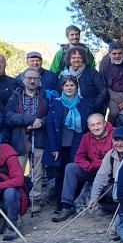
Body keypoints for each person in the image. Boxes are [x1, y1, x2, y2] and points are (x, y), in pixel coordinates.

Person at [52, 113, 114, 221]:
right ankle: (67, 205)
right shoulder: (86, 137)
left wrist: (99, 165)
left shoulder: (114, 134)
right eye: (92, 125)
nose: (96, 127)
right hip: (92, 170)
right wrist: (89, 166)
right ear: (89, 127)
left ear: (105, 123)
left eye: (99, 124)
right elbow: (79, 157)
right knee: (71, 167)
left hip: (110, 173)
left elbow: (116, 156)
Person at [44, 76, 90, 210]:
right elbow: (51, 127)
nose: (69, 88)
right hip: (59, 145)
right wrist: (54, 148)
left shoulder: (84, 104)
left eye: (72, 85)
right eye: (66, 85)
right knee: (60, 174)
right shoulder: (55, 104)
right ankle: (60, 204)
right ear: (62, 88)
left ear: (76, 87)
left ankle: (74, 201)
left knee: (76, 173)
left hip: (78, 144)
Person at [5, 68, 49, 198]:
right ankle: (18, 199)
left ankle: (36, 198)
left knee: (38, 173)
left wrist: (40, 122)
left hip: (39, 138)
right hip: (20, 140)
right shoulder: (14, 97)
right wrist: (30, 120)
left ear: (39, 81)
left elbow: (51, 115)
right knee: (17, 173)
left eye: (35, 78)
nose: (32, 81)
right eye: (29, 78)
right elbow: (9, 116)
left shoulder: (46, 96)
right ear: (23, 79)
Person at [88, 126, 123, 215]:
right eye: (116, 140)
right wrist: (94, 197)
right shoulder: (110, 155)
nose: (119, 143)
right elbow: (101, 177)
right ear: (112, 141)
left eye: (122, 140)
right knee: (104, 193)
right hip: (116, 187)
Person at [59, 46, 106, 115]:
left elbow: (103, 92)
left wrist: (93, 106)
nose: (76, 60)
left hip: (91, 110)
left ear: (83, 59)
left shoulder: (93, 73)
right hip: (68, 110)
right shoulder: (65, 74)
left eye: (79, 58)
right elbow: (60, 92)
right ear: (69, 60)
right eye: (73, 58)